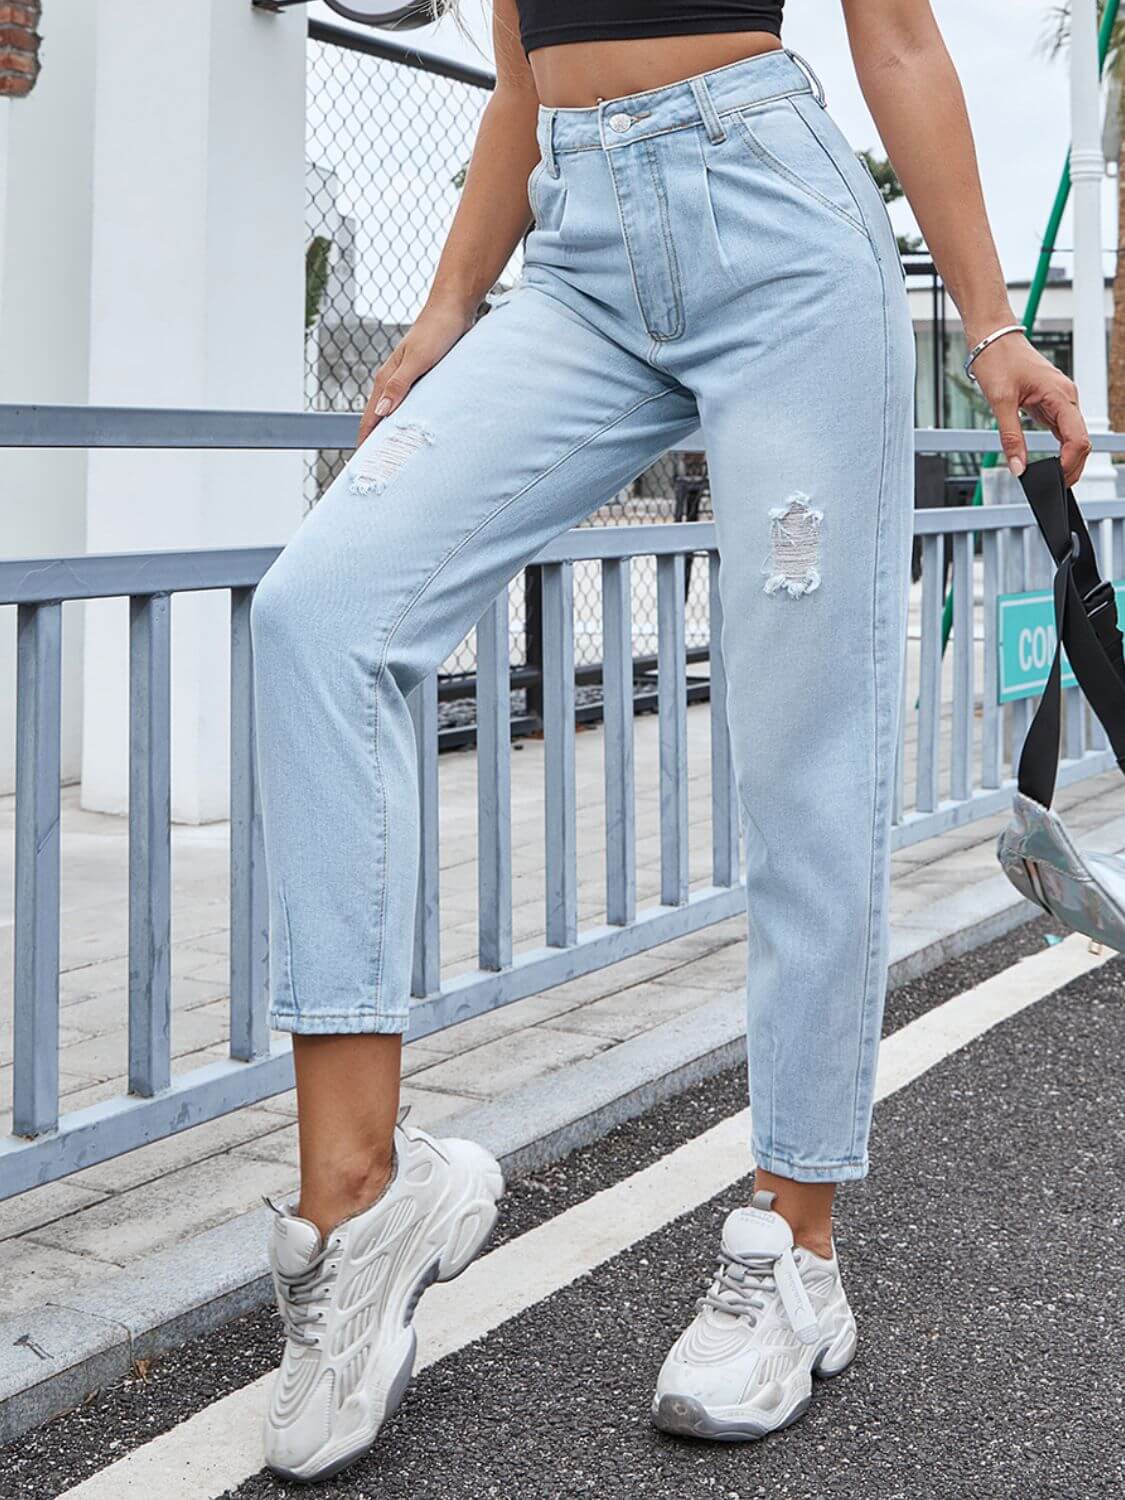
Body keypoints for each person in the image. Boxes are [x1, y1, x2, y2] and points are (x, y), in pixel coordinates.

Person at [248, 0, 1091, 1481]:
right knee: (319, 613)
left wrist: (993, 324)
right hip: (573, 250)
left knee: (799, 748)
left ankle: (793, 1251)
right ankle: (360, 1206)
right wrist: (447, 306)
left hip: (771, 225)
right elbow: (520, 69)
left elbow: (892, 34)